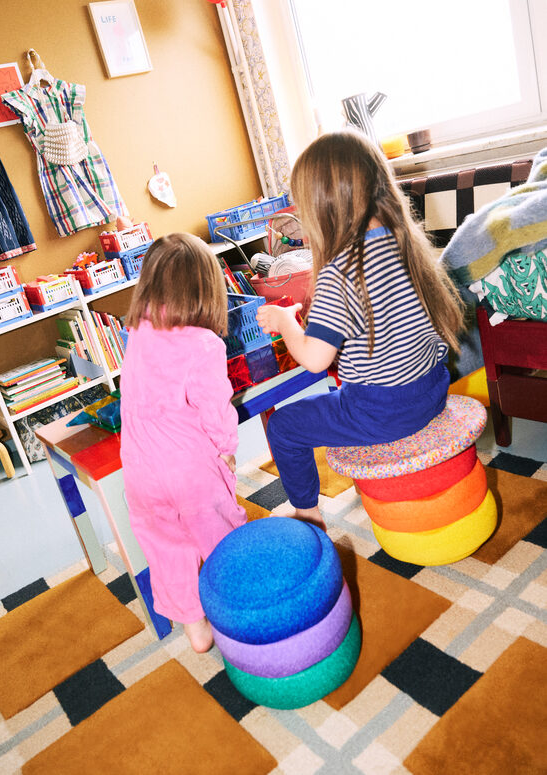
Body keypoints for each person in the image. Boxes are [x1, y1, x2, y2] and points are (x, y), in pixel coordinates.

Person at [256, 130, 464, 530]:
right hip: (433, 390)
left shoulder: (339, 272)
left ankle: (306, 511)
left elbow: (316, 360)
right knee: (346, 386)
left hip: (384, 413)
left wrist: (286, 323)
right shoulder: (404, 242)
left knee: (284, 427)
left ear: (322, 207)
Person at [120, 233, 246, 652]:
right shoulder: (204, 344)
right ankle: (240, 604)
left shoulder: (137, 331)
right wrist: (227, 447)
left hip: (139, 469)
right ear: (206, 289)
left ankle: (195, 628)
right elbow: (215, 407)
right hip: (189, 469)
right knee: (219, 532)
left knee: (167, 547)